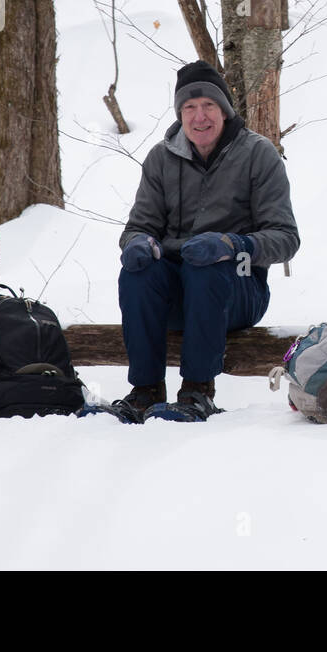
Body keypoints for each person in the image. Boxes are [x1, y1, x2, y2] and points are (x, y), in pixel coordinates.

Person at [117, 61, 300, 419]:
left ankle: (198, 391)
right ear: (180, 114)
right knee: (137, 274)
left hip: (238, 289)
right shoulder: (160, 158)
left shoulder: (258, 154)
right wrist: (137, 244)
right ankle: (145, 390)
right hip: (176, 293)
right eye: (189, 108)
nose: (199, 117)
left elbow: (286, 238)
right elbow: (138, 227)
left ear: (225, 110)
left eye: (208, 106)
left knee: (206, 269)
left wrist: (234, 245)